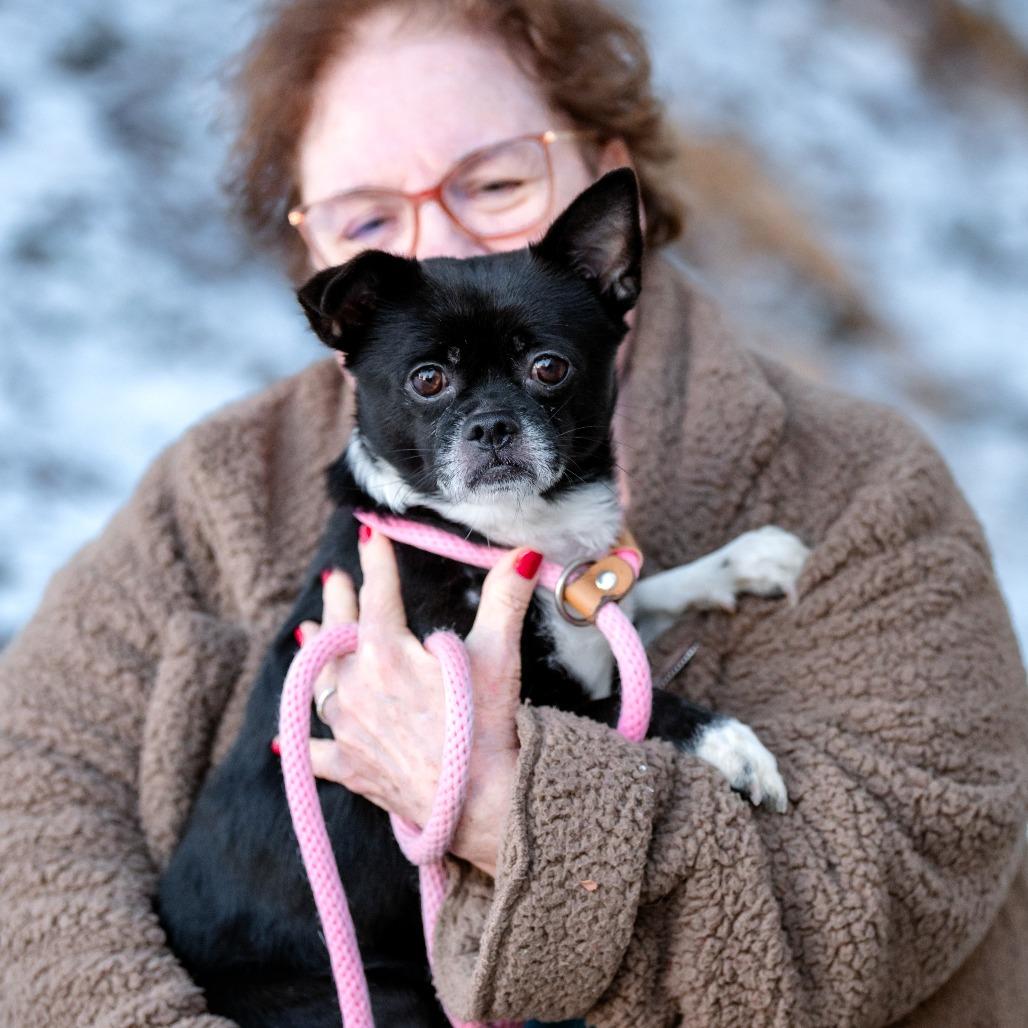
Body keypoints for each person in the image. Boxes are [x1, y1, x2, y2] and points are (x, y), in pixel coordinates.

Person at [1, 0, 1026, 1025]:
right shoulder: (213, 485)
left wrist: (505, 810)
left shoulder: (857, 482)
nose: (439, 241)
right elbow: (29, 808)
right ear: (328, 278)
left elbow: (900, 883)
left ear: (607, 209)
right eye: (367, 219)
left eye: (494, 183)